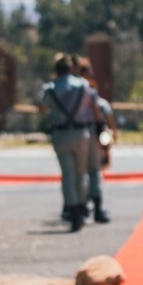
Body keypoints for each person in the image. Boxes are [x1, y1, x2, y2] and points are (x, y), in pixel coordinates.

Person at [39, 53, 102, 232]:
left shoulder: (51, 88)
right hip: (81, 133)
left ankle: (73, 210)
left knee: (67, 174)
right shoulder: (83, 85)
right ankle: (82, 207)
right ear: (71, 68)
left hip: (61, 134)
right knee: (81, 173)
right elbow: (95, 107)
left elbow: (43, 109)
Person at [75, 57, 116, 223]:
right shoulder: (86, 89)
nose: (92, 73)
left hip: (78, 133)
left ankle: (82, 206)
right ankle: (94, 207)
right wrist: (101, 129)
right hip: (89, 134)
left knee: (79, 172)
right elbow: (99, 113)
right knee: (92, 171)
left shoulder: (70, 88)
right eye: (88, 70)